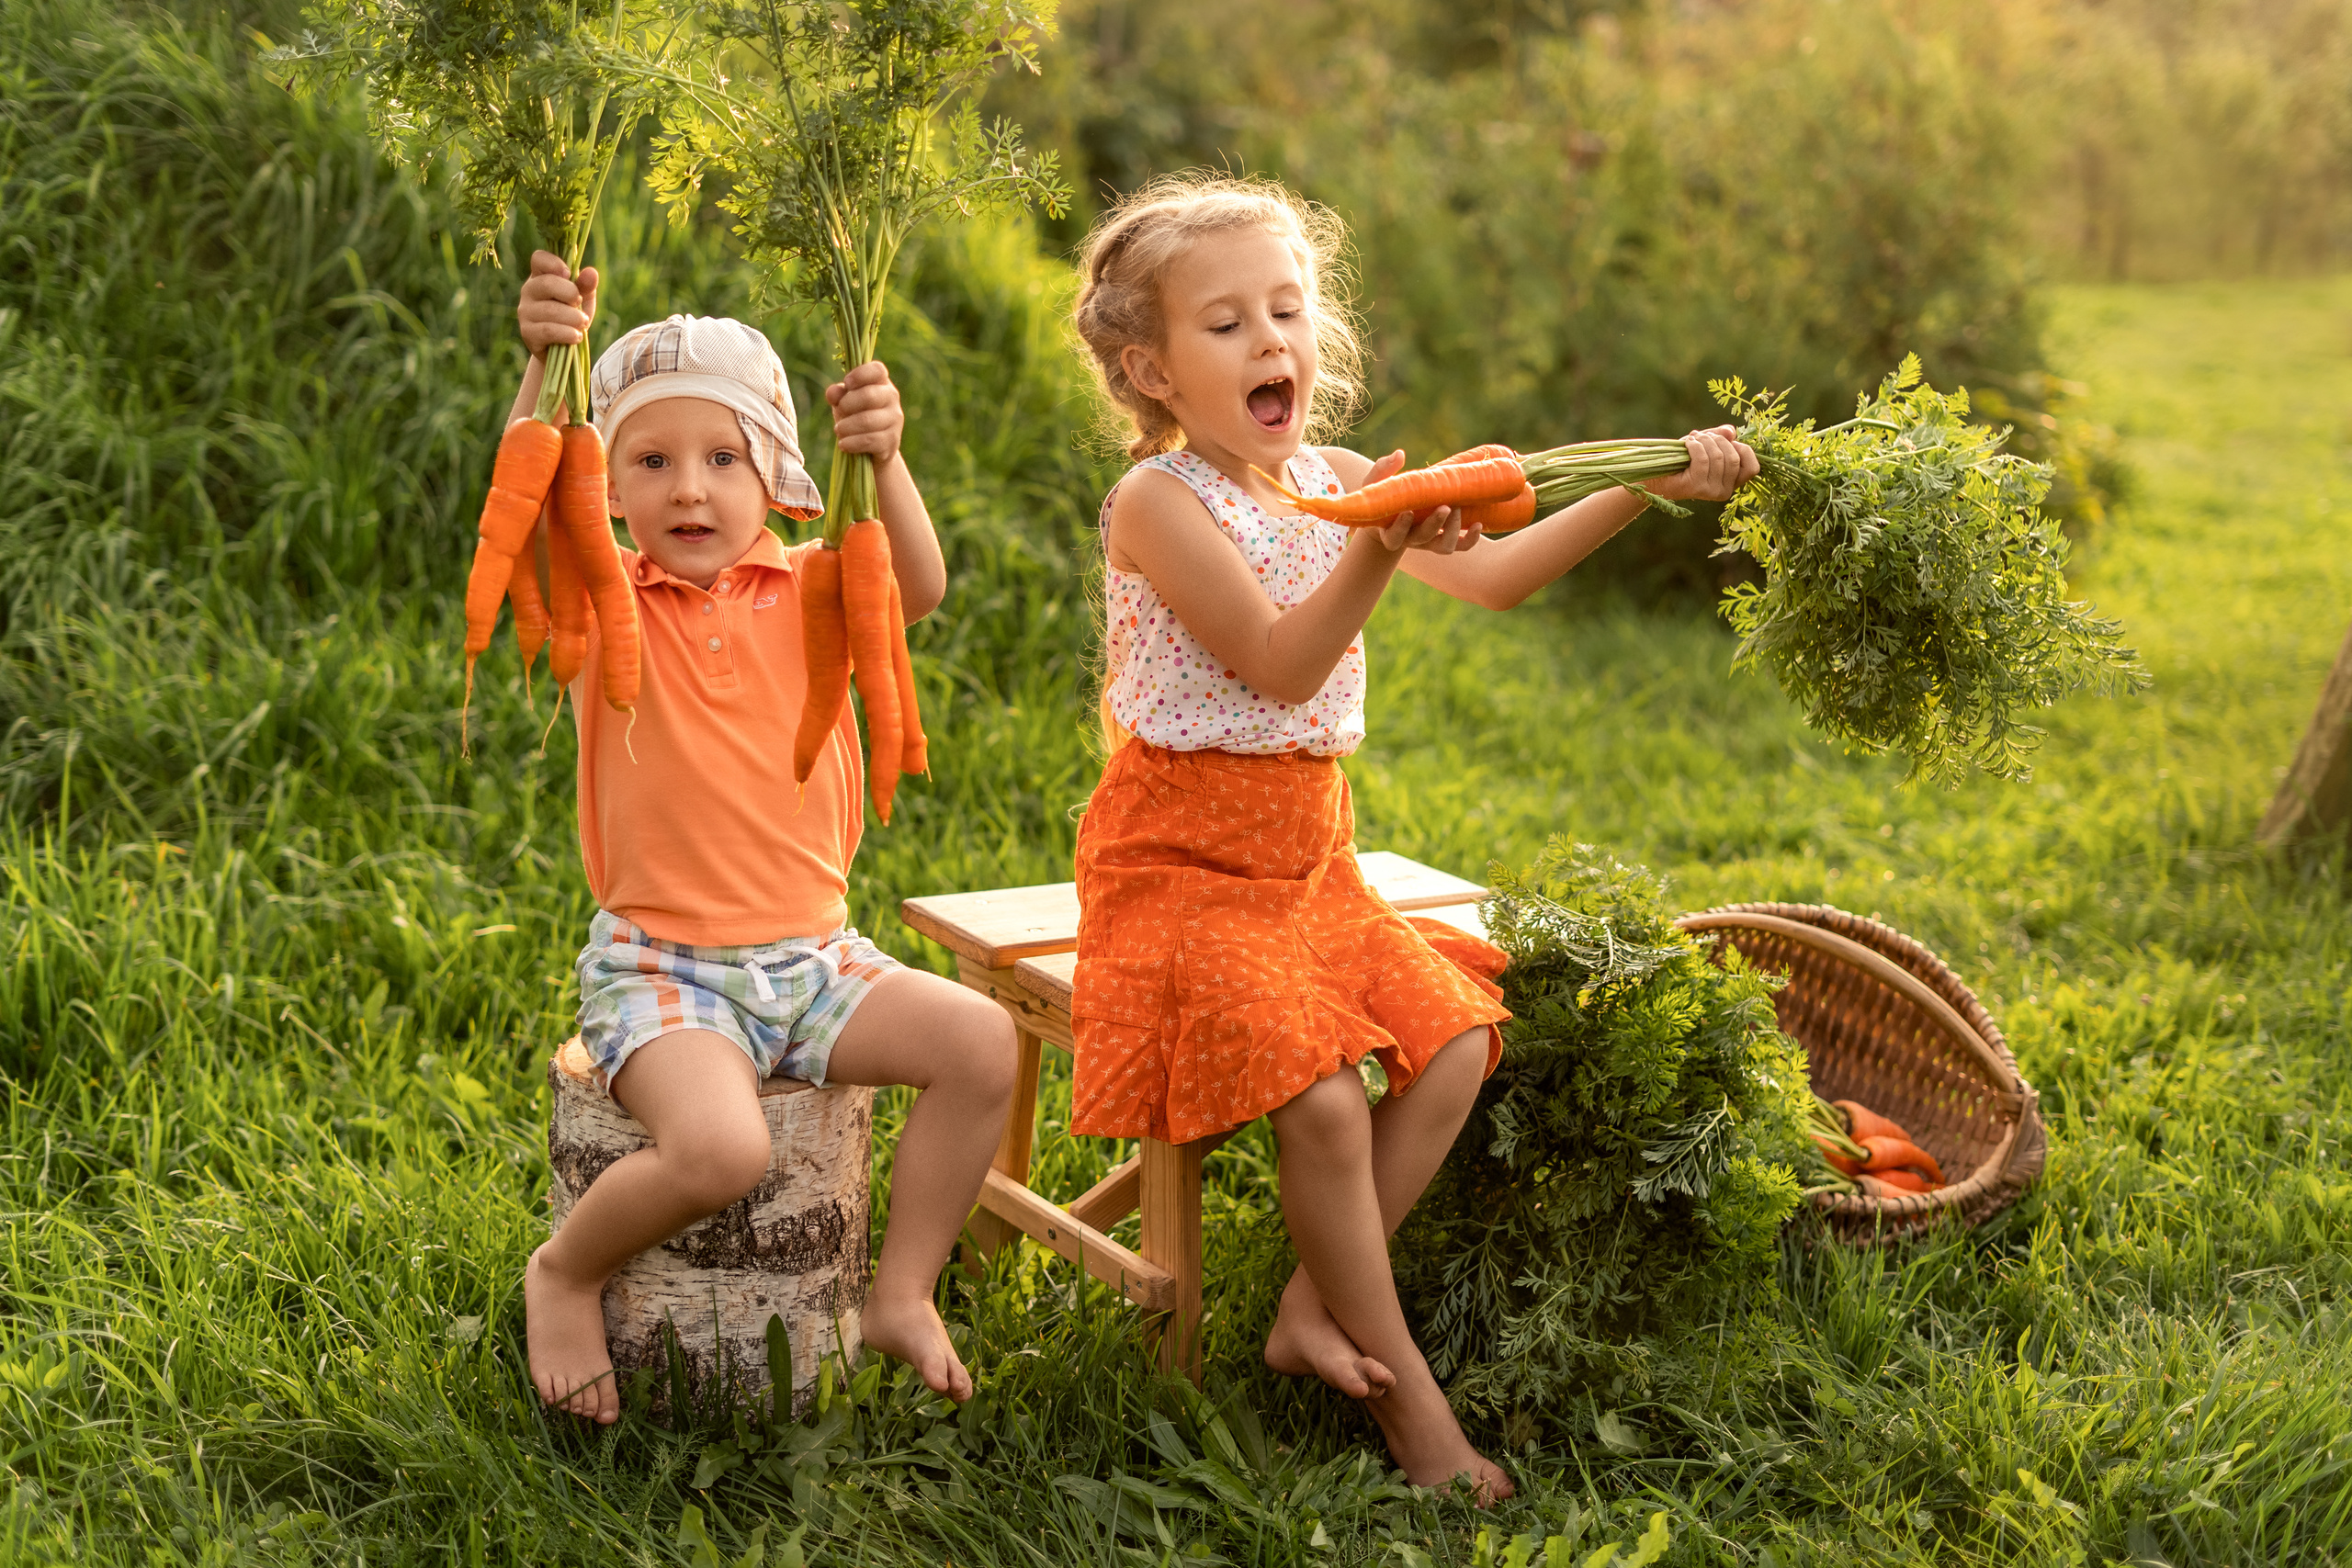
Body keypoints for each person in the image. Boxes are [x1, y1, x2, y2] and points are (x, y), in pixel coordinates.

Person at [1066, 175, 1758, 1500]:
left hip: (1307, 864)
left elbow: (1494, 577)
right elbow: (1278, 667)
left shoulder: (1331, 478)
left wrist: (1646, 481)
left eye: (1287, 309)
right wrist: (1376, 549)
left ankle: (1311, 1307)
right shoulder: (1158, 503)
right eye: (1227, 324)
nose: (1272, 339)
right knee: (1327, 1097)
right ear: (1152, 370)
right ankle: (1413, 1405)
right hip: (1179, 869)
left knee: (1454, 1045)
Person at [510, 252, 1016, 1425]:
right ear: (610, 489)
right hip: (668, 969)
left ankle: (900, 1292)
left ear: (777, 475)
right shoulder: (607, 600)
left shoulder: (818, 587)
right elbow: (525, 516)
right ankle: (564, 1274)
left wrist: (887, 457)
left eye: (722, 458)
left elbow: (920, 587)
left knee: (982, 1044)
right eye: (650, 461)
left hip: (817, 959)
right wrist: (542, 368)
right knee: (721, 1153)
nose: (689, 489)